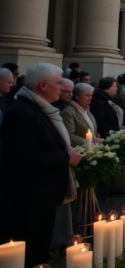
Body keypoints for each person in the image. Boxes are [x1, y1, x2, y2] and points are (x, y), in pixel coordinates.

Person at [0, 63, 84, 265]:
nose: (62, 88)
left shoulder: (41, 109)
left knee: (40, 246)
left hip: (43, 195)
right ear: (44, 85)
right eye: (58, 84)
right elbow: (27, 156)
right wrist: (66, 158)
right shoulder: (22, 112)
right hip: (30, 198)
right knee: (31, 251)